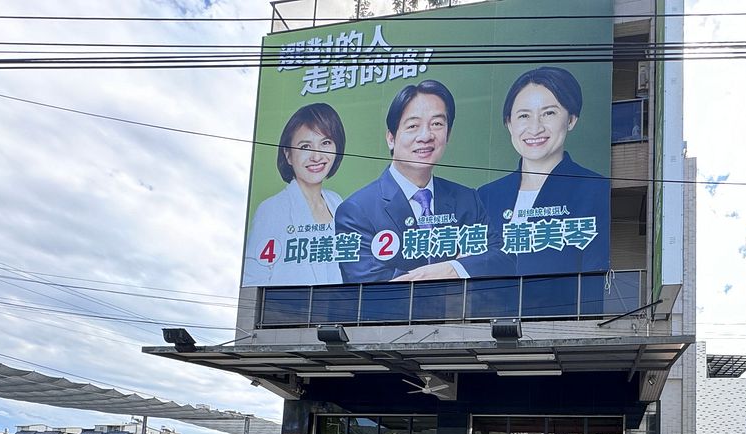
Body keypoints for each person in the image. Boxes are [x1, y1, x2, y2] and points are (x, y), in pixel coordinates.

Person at [336, 80, 509, 282]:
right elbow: (376, 286)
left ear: (448, 133)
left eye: (437, 124)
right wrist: (461, 269)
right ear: (391, 138)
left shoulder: (467, 199)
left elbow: (501, 261)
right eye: (413, 126)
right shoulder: (356, 211)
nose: (426, 136)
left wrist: (449, 269)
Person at [478, 66, 611, 275]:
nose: (535, 128)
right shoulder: (484, 196)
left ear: (571, 119)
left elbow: (595, 280)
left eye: (548, 113)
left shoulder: (596, 190)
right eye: (523, 116)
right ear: (509, 124)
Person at [243, 102, 347, 286]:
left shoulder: (337, 203)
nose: (317, 156)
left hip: (335, 311)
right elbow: (253, 280)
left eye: (325, 143)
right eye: (305, 147)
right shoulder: (271, 209)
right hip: (287, 312)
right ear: (288, 155)